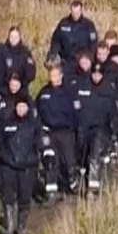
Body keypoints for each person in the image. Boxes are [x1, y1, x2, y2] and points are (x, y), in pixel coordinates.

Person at [0, 96, 42, 234]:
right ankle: (9, 225)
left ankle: (21, 225)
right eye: (18, 106)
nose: (21, 109)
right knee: (8, 195)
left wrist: (44, 154)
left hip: (27, 166)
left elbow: (40, 142)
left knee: (24, 196)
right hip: (8, 164)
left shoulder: (34, 125)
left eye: (24, 106)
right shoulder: (6, 123)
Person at [35, 63, 79, 199]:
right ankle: (51, 192)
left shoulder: (69, 92)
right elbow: (36, 112)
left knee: (69, 161)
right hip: (49, 132)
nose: (52, 77)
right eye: (50, 75)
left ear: (61, 75)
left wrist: (74, 129)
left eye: (55, 75)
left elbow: (76, 113)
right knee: (51, 160)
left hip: (65, 132)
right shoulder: (44, 93)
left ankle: (73, 184)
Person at [74, 63, 117, 196]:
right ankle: (82, 180)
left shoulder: (108, 90)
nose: (96, 76)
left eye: (99, 74)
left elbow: (113, 113)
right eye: (94, 74)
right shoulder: (83, 87)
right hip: (83, 128)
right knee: (82, 155)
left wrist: (113, 131)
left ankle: (93, 187)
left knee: (94, 154)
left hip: (100, 128)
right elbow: (76, 105)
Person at [48, 0, 100, 77]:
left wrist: (89, 60)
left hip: (82, 63)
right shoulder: (63, 24)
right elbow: (56, 41)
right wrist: (53, 54)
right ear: (71, 10)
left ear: (81, 10)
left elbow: (93, 45)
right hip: (66, 62)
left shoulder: (88, 25)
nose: (75, 15)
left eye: (77, 12)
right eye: (73, 12)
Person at [2, 25, 38, 91]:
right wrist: (8, 82)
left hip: (21, 88)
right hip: (5, 88)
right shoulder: (2, 51)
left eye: (16, 37)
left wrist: (20, 82)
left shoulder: (25, 53)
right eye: (11, 37)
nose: (13, 39)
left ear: (19, 37)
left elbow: (31, 73)